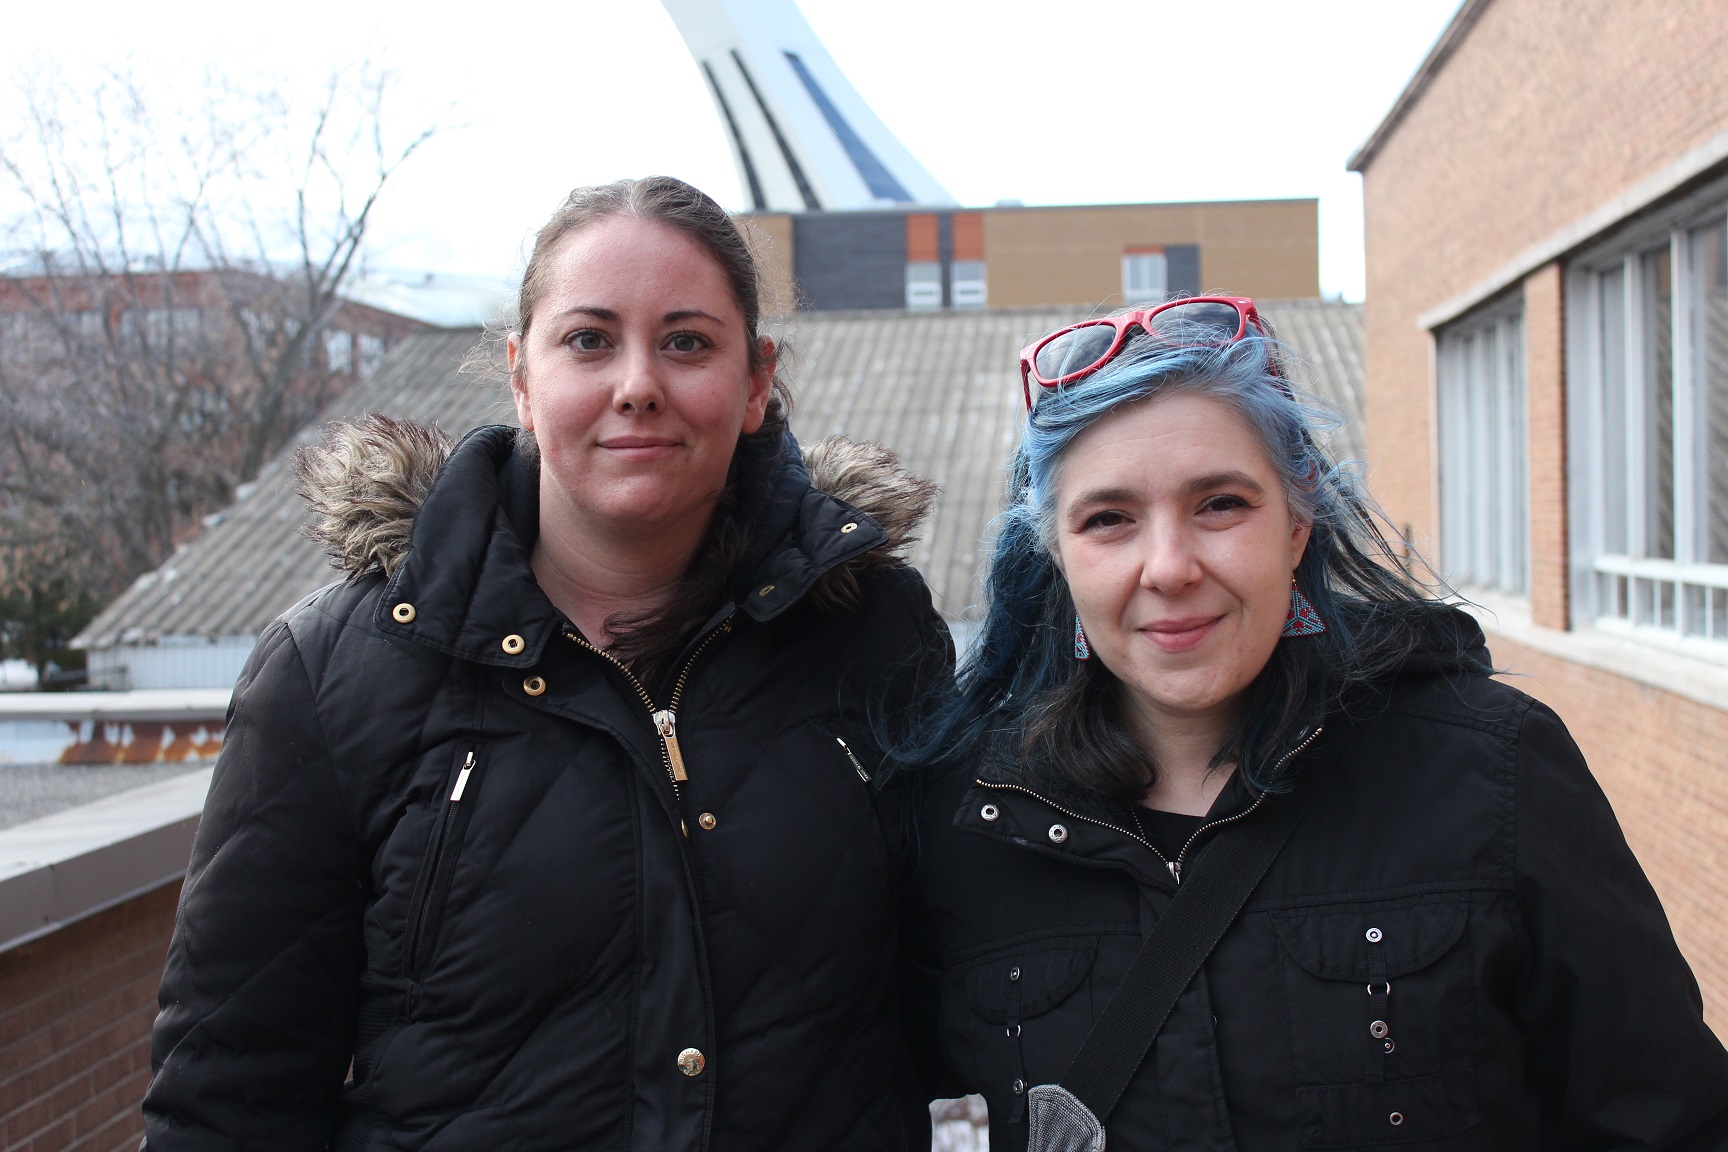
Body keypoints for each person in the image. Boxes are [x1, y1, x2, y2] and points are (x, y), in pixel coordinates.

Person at [141, 177, 951, 1150]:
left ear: (755, 381)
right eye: (590, 340)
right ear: (522, 378)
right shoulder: (334, 675)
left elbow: (982, 973)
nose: (638, 383)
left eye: (687, 341)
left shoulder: (871, 629)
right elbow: (229, 1096)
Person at [899, 298, 1728, 1150]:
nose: (1170, 567)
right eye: (1108, 519)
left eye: (1220, 504)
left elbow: (1666, 1116)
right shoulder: (963, 820)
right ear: (1056, 552)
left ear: (1298, 525)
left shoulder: (1494, 770)